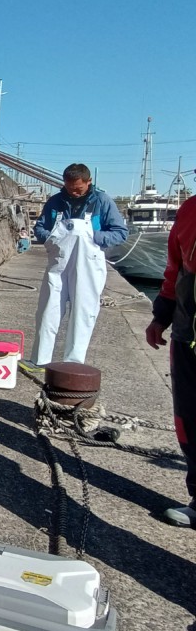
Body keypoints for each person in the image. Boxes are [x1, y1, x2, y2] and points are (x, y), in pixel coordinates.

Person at [31, 164, 127, 365]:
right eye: (69, 188)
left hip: (88, 264)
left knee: (83, 313)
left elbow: (120, 233)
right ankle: (40, 360)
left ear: (88, 182)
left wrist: (94, 236)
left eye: (78, 188)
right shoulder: (55, 201)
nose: (73, 192)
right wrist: (50, 238)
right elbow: (40, 227)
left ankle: (73, 363)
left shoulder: (102, 201)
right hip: (58, 262)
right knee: (48, 310)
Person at [144, 193, 196, 526]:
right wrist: (161, 316)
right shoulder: (190, 210)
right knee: (189, 421)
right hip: (187, 334)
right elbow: (174, 269)